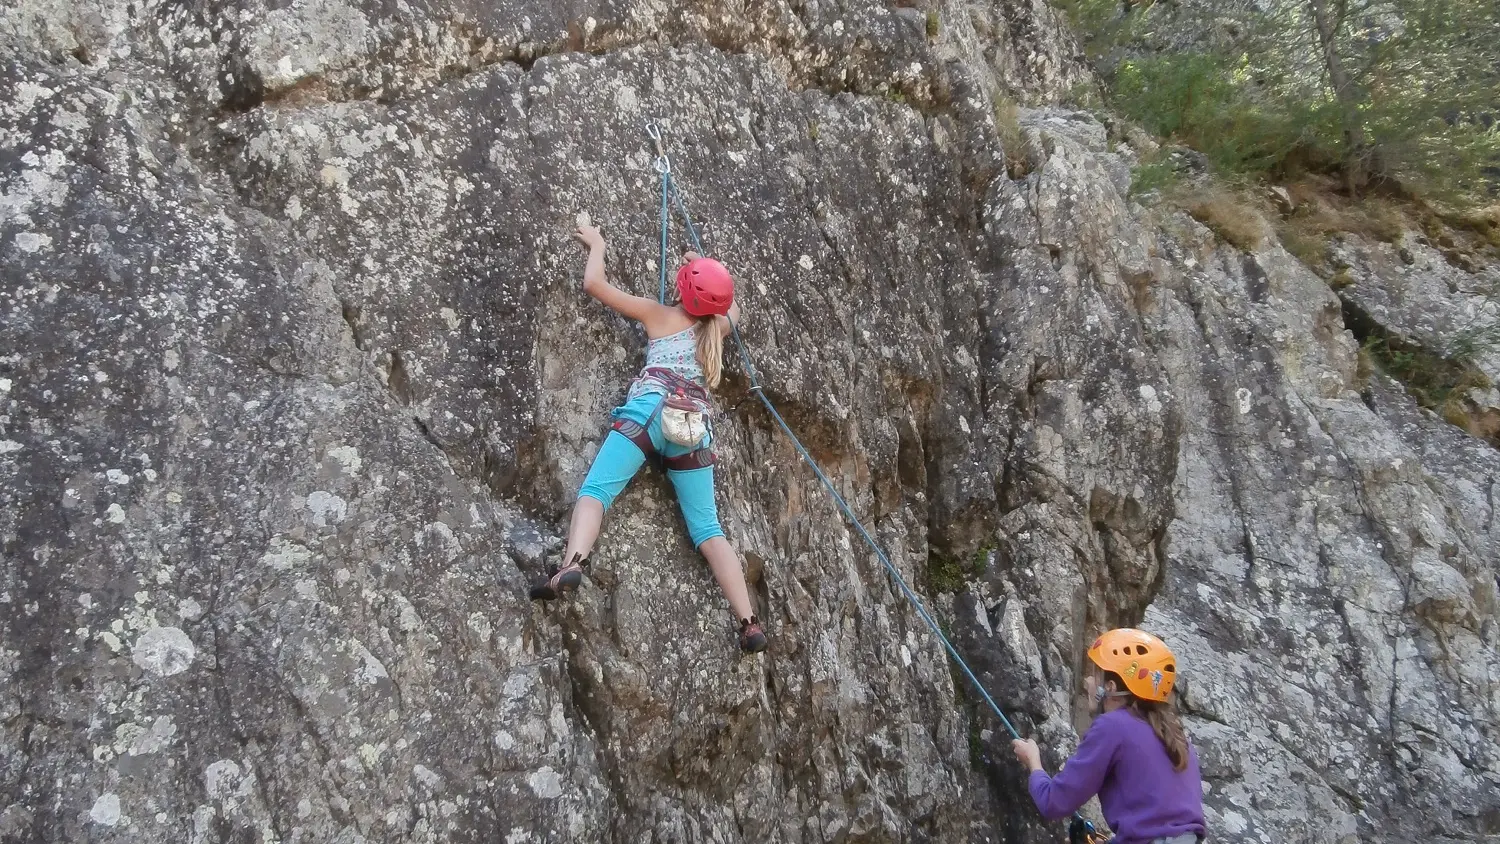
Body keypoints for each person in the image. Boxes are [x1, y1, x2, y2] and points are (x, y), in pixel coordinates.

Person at [527, 221, 768, 654]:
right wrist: (703, 267)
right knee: (710, 531)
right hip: (692, 426)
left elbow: (594, 283)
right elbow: (733, 306)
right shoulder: (717, 328)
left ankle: (572, 564)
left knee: (597, 491)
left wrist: (597, 243)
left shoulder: (659, 315)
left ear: (682, 290)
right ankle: (749, 622)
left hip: (650, 411)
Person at [1011, 628, 1206, 844]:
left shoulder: (1112, 726)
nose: (1087, 682)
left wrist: (1033, 762)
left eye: (1095, 675)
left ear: (1110, 688)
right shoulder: (1179, 738)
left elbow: (1053, 802)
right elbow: (1159, 824)